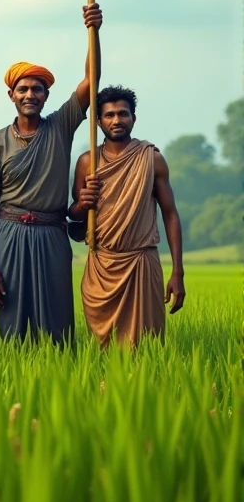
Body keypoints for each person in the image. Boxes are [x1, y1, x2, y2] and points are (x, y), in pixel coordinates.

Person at [0, 4, 103, 343]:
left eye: (37, 89)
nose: (30, 95)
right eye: (23, 89)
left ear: (47, 96)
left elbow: (91, 81)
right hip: (9, 234)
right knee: (12, 318)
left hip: (51, 233)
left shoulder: (60, 127)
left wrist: (93, 31)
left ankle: (59, 381)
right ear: (11, 95)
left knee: (57, 321)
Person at [69, 85, 185, 347]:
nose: (116, 120)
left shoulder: (152, 159)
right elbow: (75, 214)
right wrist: (84, 202)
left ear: (134, 118)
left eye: (123, 114)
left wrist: (178, 272)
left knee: (146, 346)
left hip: (141, 261)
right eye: (109, 115)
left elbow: (170, 214)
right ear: (98, 121)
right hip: (101, 263)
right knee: (101, 347)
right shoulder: (88, 162)